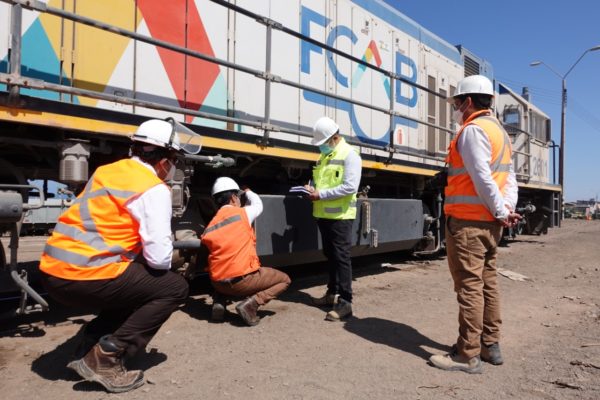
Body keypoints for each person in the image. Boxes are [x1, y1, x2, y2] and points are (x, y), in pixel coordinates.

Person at [39, 118, 199, 393]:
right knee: (173, 287)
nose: (173, 168)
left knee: (135, 280)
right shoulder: (153, 188)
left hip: (53, 272)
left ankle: (90, 342)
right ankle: (106, 357)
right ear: (165, 159)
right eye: (175, 160)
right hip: (84, 276)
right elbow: (159, 259)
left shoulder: (107, 171)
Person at [429, 75, 521, 374]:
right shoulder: (500, 132)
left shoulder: (471, 131)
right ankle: (490, 346)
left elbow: (482, 176)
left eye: (456, 102)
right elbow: (509, 178)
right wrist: (506, 210)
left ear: (467, 101)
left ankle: (466, 355)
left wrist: (500, 209)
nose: (455, 108)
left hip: (468, 222)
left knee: (469, 287)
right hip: (490, 223)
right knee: (488, 284)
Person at [201, 177, 291, 326]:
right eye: (238, 196)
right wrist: (248, 191)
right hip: (241, 282)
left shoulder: (211, 225)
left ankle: (219, 302)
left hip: (217, 283)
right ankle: (250, 305)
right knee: (284, 280)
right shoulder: (242, 214)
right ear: (233, 197)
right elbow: (258, 204)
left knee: (224, 268)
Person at [305, 116, 362, 321]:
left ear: (334, 138)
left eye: (323, 143)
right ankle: (332, 294)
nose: (321, 148)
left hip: (340, 216)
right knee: (330, 255)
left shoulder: (350, 155)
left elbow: (350, 187)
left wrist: (321, 194)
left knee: (341, 258)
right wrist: (311, 187)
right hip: (323, 214)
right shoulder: (324, 157)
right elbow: (322, 181)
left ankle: (346, 303)